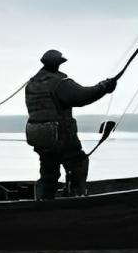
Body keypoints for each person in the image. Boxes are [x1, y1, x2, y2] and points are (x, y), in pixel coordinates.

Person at [24, 50, 116, 199]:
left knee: (48, 172)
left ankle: (42, 204)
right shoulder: (60, 83)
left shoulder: (32, 84)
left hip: (40, 137)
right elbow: (82, 97)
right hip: (61, 136)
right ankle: (75, 199)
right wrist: (104, 87)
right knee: (78, 163)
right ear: (58, 64)